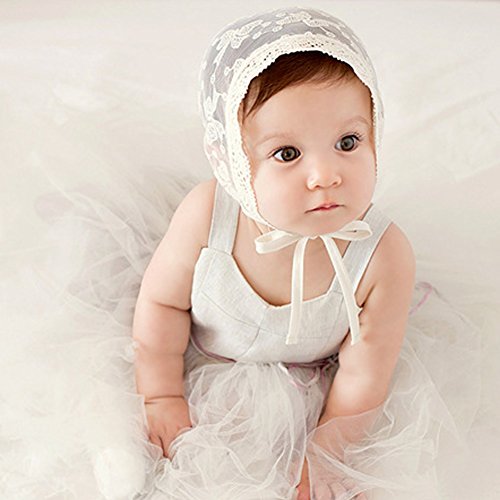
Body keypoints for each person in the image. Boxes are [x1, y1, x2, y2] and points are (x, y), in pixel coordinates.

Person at [132, 6, 481, 500]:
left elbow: (363, 373)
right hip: (194, 362)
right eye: (287, 154)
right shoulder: (207, 215)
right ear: (234, 162)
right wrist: (162, 393)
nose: (325, 175)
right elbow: (163, 305)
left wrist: (326, 450)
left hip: (312, 385)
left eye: (348, 142)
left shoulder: (382, 256)